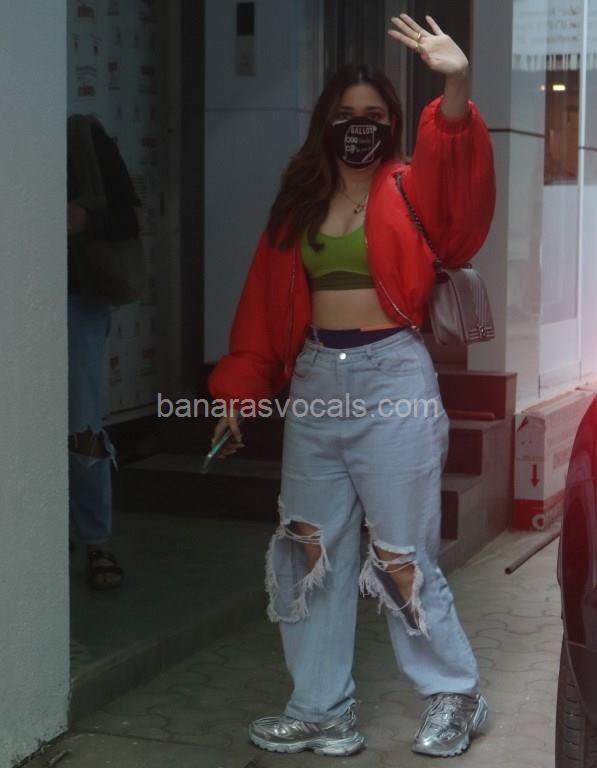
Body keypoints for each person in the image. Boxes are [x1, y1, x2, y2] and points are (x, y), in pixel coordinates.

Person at [208, 13, 495, 759]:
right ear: (324, 122)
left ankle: (453, 694)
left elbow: (461, 208)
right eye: (345, 113)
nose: (359, 125)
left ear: (392, 123)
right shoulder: (299, 201)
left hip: (392, 375)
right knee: (307, 552)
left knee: (400, 553)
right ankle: (321, 709)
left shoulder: (410, 186)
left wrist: (456, 87)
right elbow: (262, 307)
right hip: (315, 382)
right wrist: (238, 395)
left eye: (373, 114)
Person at [67, 114, 142, 589]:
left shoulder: (81, 136)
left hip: (75, 300)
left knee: (81, 425)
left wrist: (84, 219)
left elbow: (129, 219)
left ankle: (96, 540)